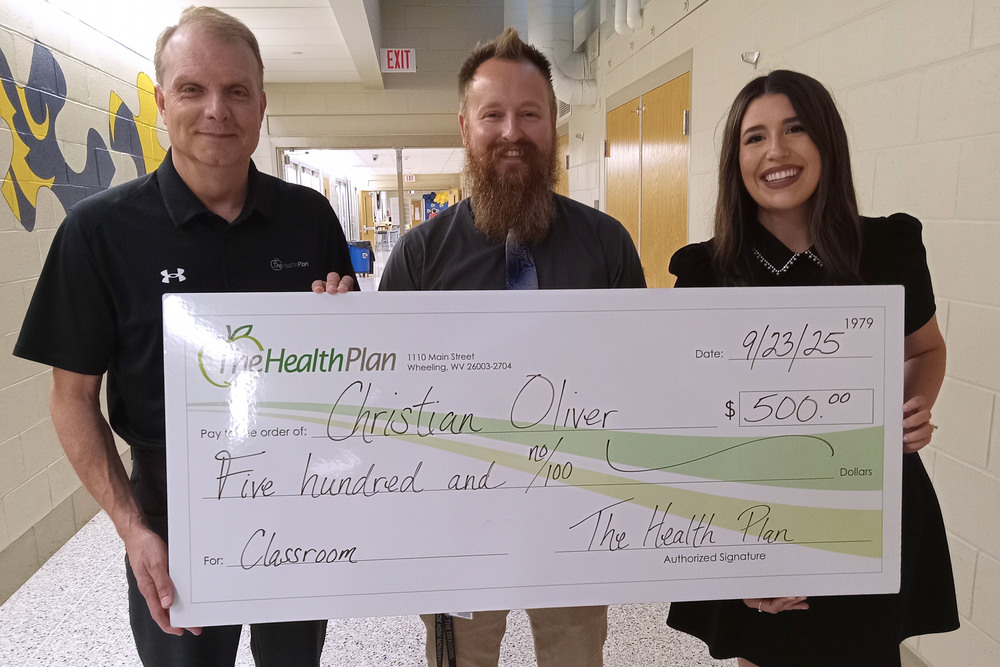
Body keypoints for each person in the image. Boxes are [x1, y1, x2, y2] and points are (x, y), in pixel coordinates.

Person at [13, 7, 355, 666]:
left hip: (297, 502)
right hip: (170, 518)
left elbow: (344, 377)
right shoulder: (97, 233)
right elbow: (72, 398)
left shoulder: (307, 219)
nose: (216, 110)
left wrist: (342, 327)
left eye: (236, 91)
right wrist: (131, 527)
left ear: (261, 106)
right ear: (163, 100)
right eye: (194, 89)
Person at [319, 27, 645, 667]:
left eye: (530, 113)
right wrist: (335, 337)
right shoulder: (420, 254)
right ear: (464, 126)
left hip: (573, 516)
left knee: (575, 656)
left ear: (554, 125)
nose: (511, 131)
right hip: (454, 519)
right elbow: (383, 394)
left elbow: (636, 377)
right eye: (492, 114)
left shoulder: (607, 246)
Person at [664, 70, 959, 667]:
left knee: (866, 649)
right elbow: (685, 419)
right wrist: (732, 555)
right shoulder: (705, 271)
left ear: (827, 142)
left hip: (868, 504)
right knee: (765, 651)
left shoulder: (886, 249)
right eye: (755, 137)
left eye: (795, 129)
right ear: (735, 158)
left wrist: (912, 408)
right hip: (750, 509)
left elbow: (926, 350)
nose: (776, 151)